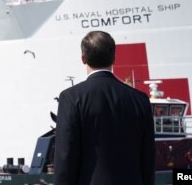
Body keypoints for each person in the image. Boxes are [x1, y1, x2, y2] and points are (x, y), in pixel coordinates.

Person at [54, 31, 155, 185]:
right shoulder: (140, 100)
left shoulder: (71, 98)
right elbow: (148, 158)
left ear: (83, 58)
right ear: (114, 58)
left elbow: (66, 157)